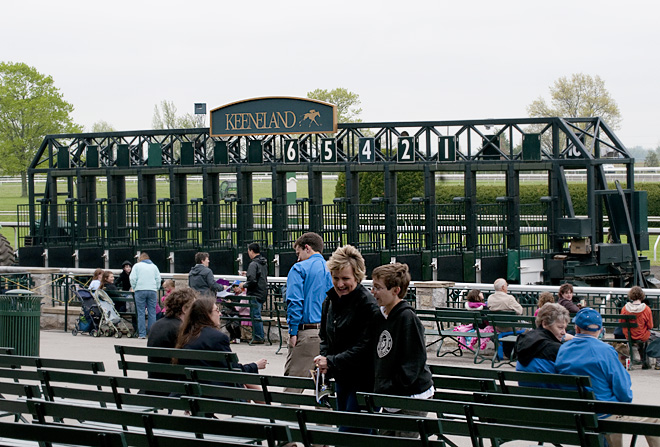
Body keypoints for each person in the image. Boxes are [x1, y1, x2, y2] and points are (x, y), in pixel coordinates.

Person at [555, 307, 660, 447]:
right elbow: (622, 388)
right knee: (654, 419)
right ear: (599, 330)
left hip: (575, 415)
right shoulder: (605, 350)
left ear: (577, 329)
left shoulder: (563, 349)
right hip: (603, 414)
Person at [315, 245, 382, 430]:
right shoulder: (330, 301)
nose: (339, 284)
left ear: (358, 277)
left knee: (352, 432)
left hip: (365, 380)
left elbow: (366, 347)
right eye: (335, 278)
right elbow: (325, 337)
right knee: (345, 430)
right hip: (342, 378)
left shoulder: (367, 305)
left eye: (345, 279)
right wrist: (324, 361)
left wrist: (330, 361)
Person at [371, 263, 433, 438]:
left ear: (395, 290)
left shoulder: (407, 318)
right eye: (372, 286)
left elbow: (414, 361)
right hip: (390, 395)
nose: (373, 292)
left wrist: (390, 386)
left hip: (410, 396)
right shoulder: (380, 316)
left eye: (378, 287)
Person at [284, 232, 333, 393]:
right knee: (322, 389)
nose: (297, 258)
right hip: (329, 334)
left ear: (307, 248)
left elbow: (295, 301)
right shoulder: (332, 270)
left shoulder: (299, 268)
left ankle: (288, 418)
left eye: (298, 253)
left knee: (293, 388)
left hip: (307, 331)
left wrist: (293, 331)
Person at [175, 297, 266, 373]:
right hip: (214, 391)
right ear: (207, 314)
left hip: (189, 389)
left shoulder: (186, 334)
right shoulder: (218, 338)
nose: (220, 313)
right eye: (217, 310)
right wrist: (255, 366)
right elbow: (234, 370)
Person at [515, 303, 573, 385]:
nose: (564, 332)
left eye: (564, 328)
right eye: (560, 327)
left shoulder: (523, 340)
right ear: (545, 324)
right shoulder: (556, 349)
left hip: (527, 394)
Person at [147, 288, 196, 381]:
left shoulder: (156, 325)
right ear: (185, 309)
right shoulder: (182, 328)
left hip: (154, 382)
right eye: (194, 307)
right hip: (174, 385)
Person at [487, 278, 523, 359]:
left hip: (498, 327)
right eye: (506, 285)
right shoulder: (509, 298)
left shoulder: (490, 298)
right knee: (528, 328)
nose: (507, 287)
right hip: (511, 328)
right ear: (503, 287)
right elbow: (520, 310)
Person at [621, 286, 655, 369]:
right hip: (642, 335)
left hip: (629, 335)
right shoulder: (646, 309)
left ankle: (637, 358)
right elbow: (650, 326)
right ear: (642, 296)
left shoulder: (625, 308)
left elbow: (621, 323)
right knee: (656, 337)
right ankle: (654, 362)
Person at [240, 243, 268, 344]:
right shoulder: (263, 262)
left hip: (254, 293)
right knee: (257, 314)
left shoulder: (253, 264)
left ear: (251, 251)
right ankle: (259, 335)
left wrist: (243, 285)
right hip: (262, 291)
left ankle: (258, 336)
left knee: (255, 315)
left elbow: (252, 280)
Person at [129, 252, 161, 339]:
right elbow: (158, 279)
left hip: (140, 290)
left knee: (141, 312)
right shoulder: (154, 267)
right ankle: (151, 334)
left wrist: (135, 287)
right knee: (152, 312)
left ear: (140, 259)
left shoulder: (137, 266)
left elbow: (132, 278)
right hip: (152, 290)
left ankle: (142, 334)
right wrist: (156, 288)